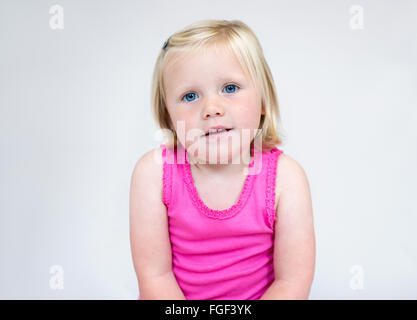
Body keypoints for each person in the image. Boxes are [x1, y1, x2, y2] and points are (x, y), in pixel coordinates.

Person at [129, 19, 315, 300]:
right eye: (190, 95)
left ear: (263, 100)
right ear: (168, 115)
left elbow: (292, 283)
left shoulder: (285, 178)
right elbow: (155, 276)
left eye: (230, 88)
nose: (211, 108)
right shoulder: (152, 174)